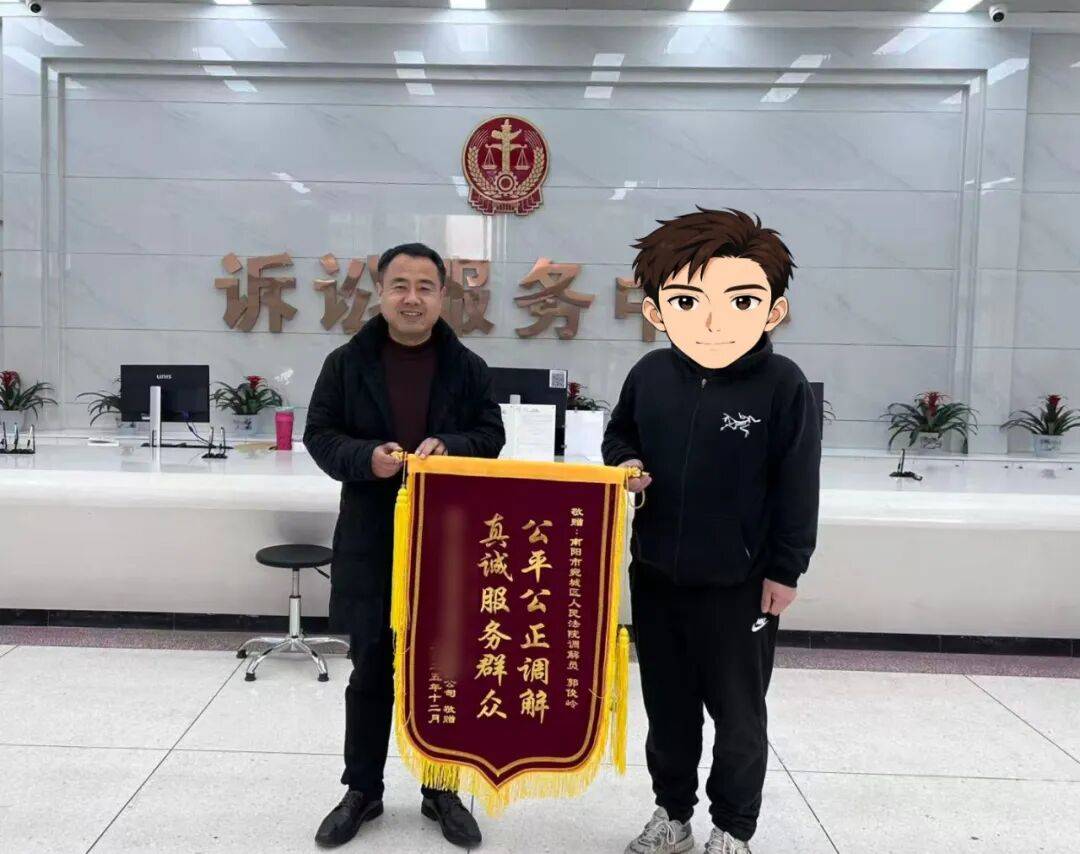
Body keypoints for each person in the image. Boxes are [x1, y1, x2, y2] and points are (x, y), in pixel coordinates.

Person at [602, 208, 821, 854]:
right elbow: (619, 434)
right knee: (668, 710)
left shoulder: (782, 385)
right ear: (658, 309)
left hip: (740, 581)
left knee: (739, 715)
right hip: (657, 575)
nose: (713, 320)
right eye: (688, 300)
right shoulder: (649, 376)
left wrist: (786, 569)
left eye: (739, 299)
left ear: (772, 310)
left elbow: (799, 483)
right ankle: (672, 816)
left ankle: (732, 828)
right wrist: (627, 462)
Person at [304, 242, 505, 849]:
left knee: (443, 672)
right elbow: (320, 436)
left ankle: (441, 789)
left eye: (424, 286)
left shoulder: (467, 366)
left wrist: (452, 445)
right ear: (380, 293)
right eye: (400, 285)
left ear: (443, 296)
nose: (411, 298)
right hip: (372, 539)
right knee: (370, 669)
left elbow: (490, 435)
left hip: (447, 543)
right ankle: (362, 790)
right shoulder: (346, 363)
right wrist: (367, 458)